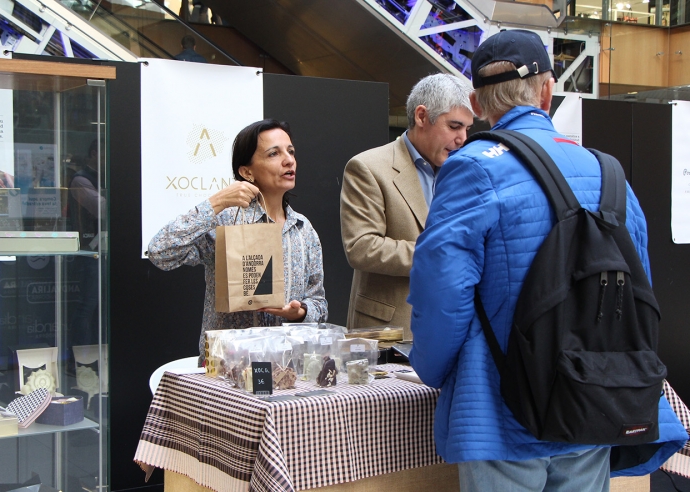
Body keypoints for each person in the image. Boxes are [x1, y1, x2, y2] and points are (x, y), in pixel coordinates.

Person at [408, 30, 687, 491]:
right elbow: (640, 291)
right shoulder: (606, 169)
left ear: (477, 104)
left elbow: (442, 292)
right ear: (547, 90)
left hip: (500, 407)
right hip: (593, 398)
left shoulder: (473, 166)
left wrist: (432, 369)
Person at [148, 119, 328, 357]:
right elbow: (160, 252)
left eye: (291, 151)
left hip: (286, 367)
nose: (289, 159)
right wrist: (217, 202)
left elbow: (319, 304)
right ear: (246, 172)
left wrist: (300, 312)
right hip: (228, 367)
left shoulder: (303, 229)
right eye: (274, 153)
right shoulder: (226, 222)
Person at [340, 73, 473, 335]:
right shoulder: (368, 167)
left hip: (453, 326)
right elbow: (361, 247)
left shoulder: (464, 172)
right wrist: (439, 254)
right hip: (390, 331)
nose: (463, 138)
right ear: (421, 117)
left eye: (468, 128)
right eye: (455, 126)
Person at [68, 139, 105, 348]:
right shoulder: (80, 180)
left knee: (101, 308)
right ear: (94, 154)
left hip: (103, 250)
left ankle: (97, 357)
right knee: (87, 306)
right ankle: (81, 361)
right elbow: (102, 209)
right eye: (105, 155)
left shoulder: (104, 178)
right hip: (89, 252)